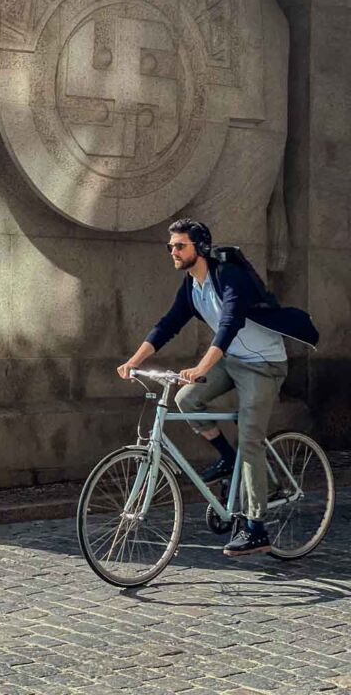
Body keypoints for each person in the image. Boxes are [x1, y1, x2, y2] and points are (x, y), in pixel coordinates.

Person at [117, 218, 319, 558]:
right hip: (232, 361)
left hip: (264, 365)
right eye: (171, 246)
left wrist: (200, 368)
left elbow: (228, 325)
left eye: (180, 246)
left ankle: (256, 528)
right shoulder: (191, 287)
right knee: (187, 399)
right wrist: (133, 361)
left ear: (201, 248)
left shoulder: (229, 277)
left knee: (251, 439)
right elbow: (168, 324)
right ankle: (227, 458)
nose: (173, 252)